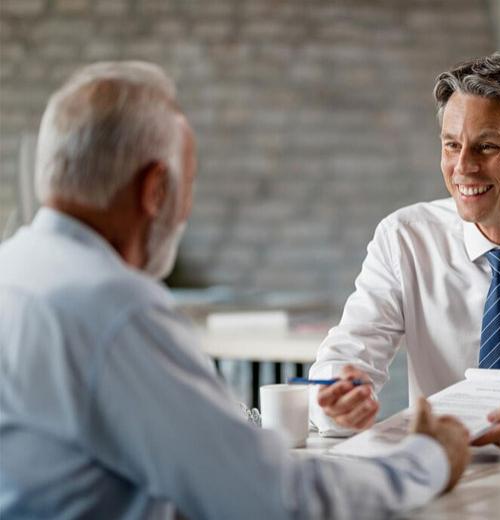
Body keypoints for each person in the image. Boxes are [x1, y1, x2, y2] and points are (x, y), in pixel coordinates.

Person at [0, 61, 470, 519]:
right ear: (155, 189)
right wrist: (427, 459)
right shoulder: (115, 308)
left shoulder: (14, 270)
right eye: (190, 182)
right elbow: (272, 500)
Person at [309, 53, 500, 443]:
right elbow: (345, 358)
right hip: (443, 476)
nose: (463, 167)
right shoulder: (405, 239)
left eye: (486, 147)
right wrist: (338, 397)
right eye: (452, 145)